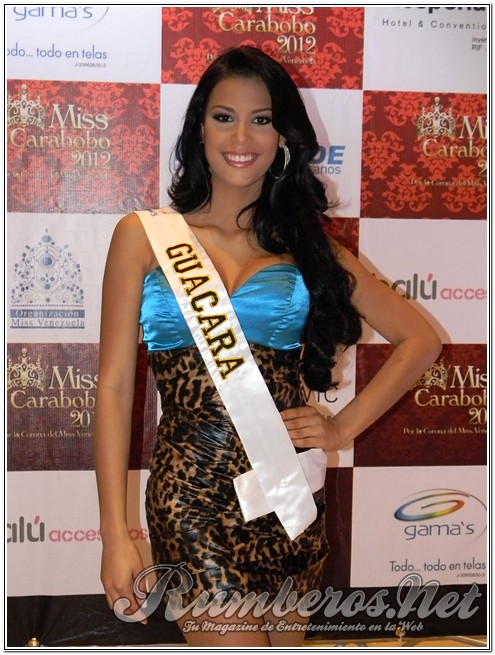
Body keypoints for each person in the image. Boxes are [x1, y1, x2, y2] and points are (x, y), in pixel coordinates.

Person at [94, 46, 441, 647]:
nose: (242, 137)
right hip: (189, 501)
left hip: (287, 498)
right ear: (199, 128)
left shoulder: (307, 248)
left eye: (262, 119)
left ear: (283, 136)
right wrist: (114, 534)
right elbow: (116, 387)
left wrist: (340, 428)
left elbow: (421, 340)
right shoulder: (142, 237)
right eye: (224, 117)